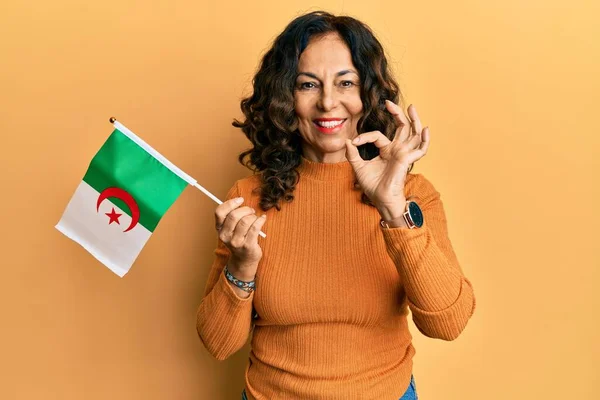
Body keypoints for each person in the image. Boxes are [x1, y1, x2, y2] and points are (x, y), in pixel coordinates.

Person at [196, 10, 476, 400]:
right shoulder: (248, 197)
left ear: (369, 94)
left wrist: (394, 210)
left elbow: (449, 322)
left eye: (346, 82)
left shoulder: (413, 193)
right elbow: (218, 344)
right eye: (308, 84)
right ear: (285, 98)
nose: (328, 102)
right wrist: (241, 266)